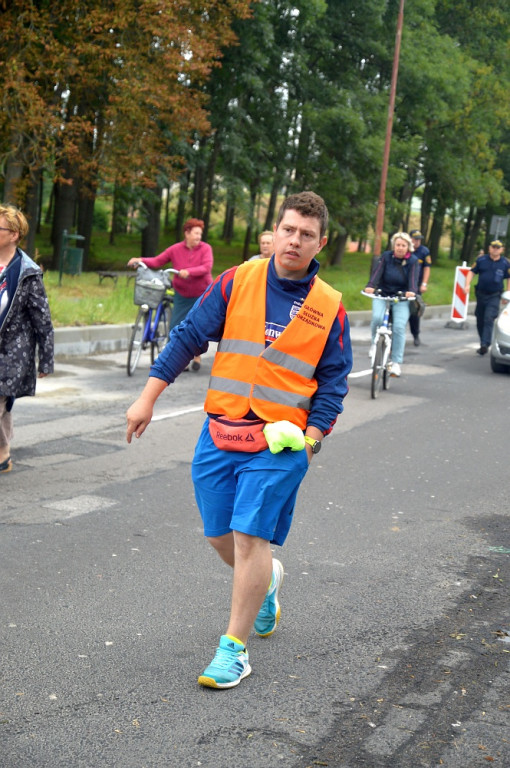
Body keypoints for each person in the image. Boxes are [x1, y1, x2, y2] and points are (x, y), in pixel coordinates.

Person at [126, 191, 352, 689]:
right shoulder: (237, 280)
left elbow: (334, 384)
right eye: (288, 230)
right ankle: (267, 581)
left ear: (321, 243)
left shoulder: (330, 308)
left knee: (251, 537)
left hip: (281, 444)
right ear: (276, 230)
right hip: (221, 430)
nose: (295, 240)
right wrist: (148, 398)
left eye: (306, 235)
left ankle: (233, 651)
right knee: (219, 536)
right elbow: (188, 337)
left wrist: (311, 441)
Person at [0, 204, 54, 474]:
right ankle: (3, 453)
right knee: (3, 401)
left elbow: (42, 318)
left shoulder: (27, 272)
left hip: (13, 349)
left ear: (14, 235)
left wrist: (45, 359)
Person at [128, 218, 213, 371]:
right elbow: (157, 261)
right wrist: (140, 260)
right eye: (195, 233)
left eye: (200, 234)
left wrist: (190, 271)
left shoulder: (205, 249)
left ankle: (197, 356)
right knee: (176, 327)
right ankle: (180, 360)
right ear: (187, 233)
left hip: (201, 293)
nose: (198, 237)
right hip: (181, 293)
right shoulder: (175, 249)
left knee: (198, 326)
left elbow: (206, 267)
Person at [364, 231, 419, 378]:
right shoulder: (386, 256)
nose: (400, 248)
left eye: (403, 245)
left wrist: (412, 291)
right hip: (382, 294)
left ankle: (396, 362)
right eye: (398, 245)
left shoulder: (413, 261)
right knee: (376, 318)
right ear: (394, 245)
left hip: (401, 298)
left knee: (399, 327)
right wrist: (371, 286)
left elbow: (414, 280)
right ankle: (374, 346)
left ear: (408, 247)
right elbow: (377, 273)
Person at [463, 239, 510, 355]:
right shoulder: (481, 260)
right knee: (480, 320)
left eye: (498, 247)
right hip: (481, 294)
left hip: (495, 295)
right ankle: (483, 342)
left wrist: (508, 293)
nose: (495, 249)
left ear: (502, 250)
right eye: (493, 247)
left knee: (488, 318)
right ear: (489, 248)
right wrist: (467, 285)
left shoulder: (505, 263)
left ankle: (485, 344)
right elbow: (471, 272)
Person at [408, 229, 431, 346]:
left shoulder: (424, 251)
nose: (417, 241)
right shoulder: (405, 248)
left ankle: (415, 334)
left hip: (416, 286)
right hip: (402, 285)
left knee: (414, 311)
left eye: (419, 239)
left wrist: (424, 284)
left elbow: (427, 268)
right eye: (415, 239)